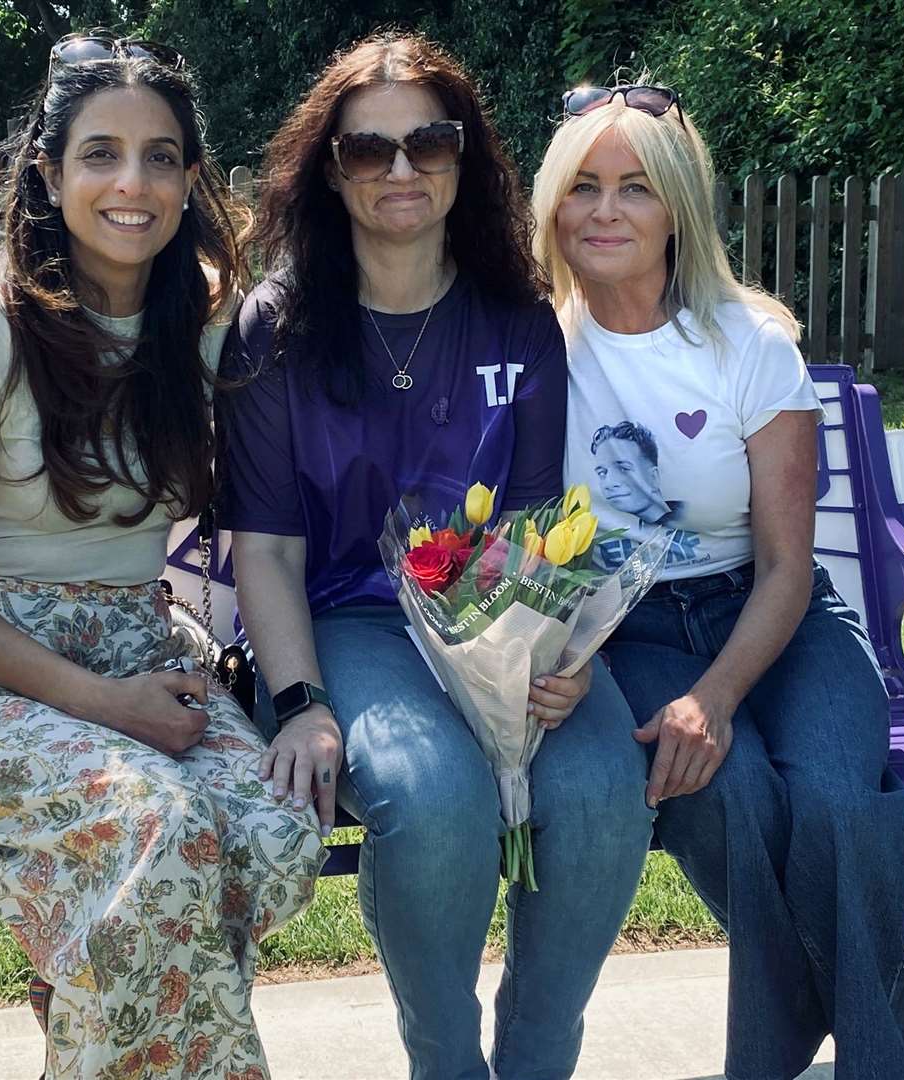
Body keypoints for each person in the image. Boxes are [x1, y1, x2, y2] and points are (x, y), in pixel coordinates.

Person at [0, 37, 324, 1079]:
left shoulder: (207, 320)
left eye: (161, 157)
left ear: (189, 177)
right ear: (47, 169)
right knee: (157, 828)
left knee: (273, 828)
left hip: (138, 640)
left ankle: (81, 984)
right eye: (101, 154)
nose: (133, 184)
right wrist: (101, 702)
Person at [531, 83, 904, 1080]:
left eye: (636, 188)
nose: (605, 211)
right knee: (727, 795)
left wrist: (718, 694)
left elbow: (789, 564)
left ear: (680, 209)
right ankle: (892, 1052)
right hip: (628, 631)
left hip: (773, 615)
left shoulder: (747, 347)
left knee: (835, 804)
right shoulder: (529, 352)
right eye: (583, 187)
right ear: (550, 205)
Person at [217, 32, 654, 1080]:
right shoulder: (274, 328)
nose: (402, 171)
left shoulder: (517, 321)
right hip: (354, 620)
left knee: (599, 792)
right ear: (330, 170)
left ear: (467, 159)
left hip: (505, 620)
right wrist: (301, 700)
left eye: (430, 142)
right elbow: (267, 553)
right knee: (432, 795)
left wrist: (566, 651)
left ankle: (538, 1059)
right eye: (369, 150)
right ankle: (446, 1064)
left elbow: (543, 524)